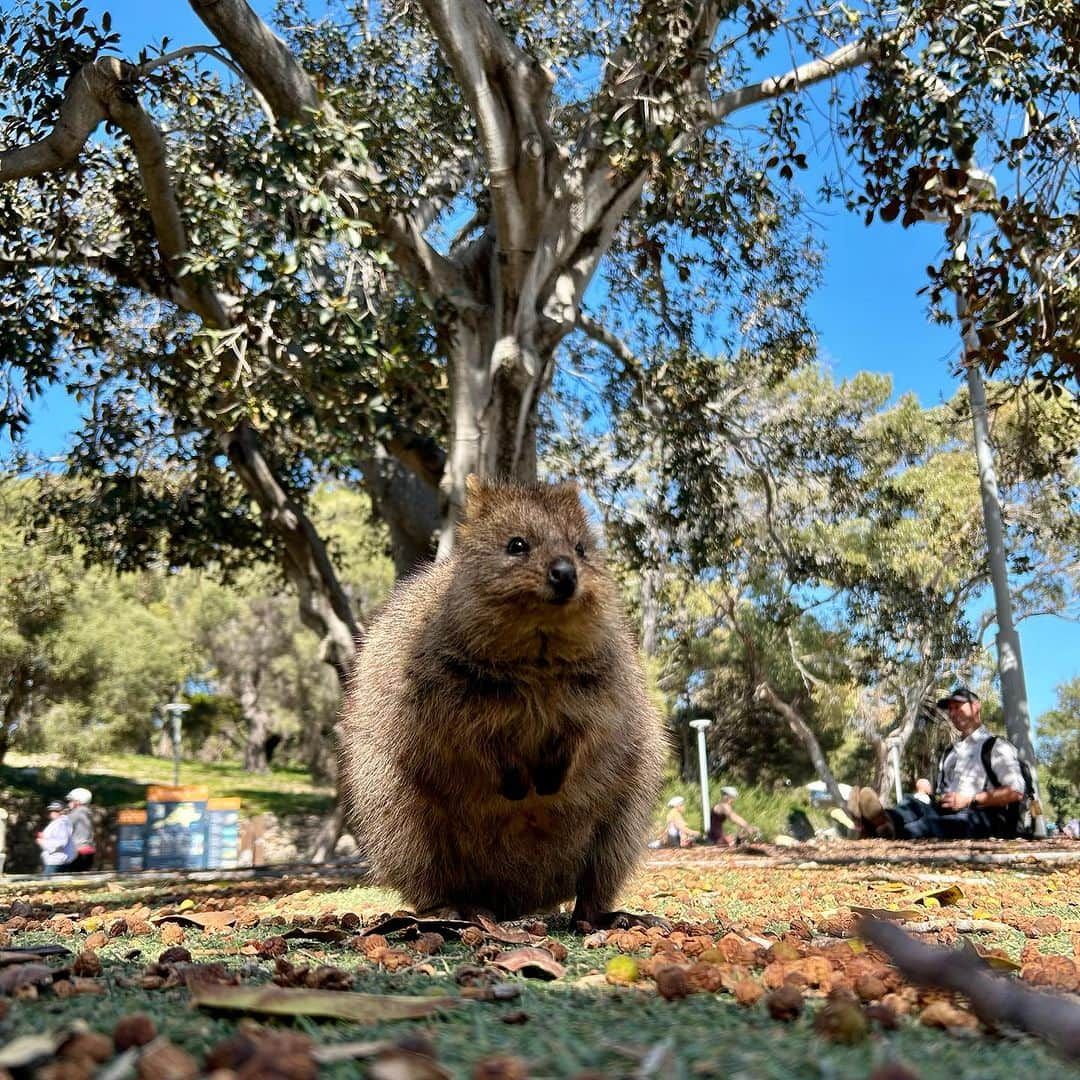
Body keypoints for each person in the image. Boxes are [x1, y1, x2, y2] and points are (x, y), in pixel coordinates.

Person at [849, 686, 1027, 840]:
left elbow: (1016, 791)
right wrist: (927, 791)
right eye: (950, 709)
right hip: (945, 811)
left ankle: (877, 830)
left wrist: (969, 800)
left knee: (932, 825)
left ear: (976, 707)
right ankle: (882, 819)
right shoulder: (951, 752)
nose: (953, 713)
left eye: (958, 707)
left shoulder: (995, 746)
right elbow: (944, 793)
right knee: (912, 803)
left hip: (982, 816)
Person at [37, 801, 75, 875]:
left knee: (47, 884)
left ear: (62, 811)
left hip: (56, 859)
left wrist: (42, 842)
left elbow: (61, 842)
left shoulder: (62, 823)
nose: (53, 813)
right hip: (54, 859)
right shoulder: (58, 822)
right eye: (51, 811)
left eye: (56, 811)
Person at [65, 787, 96, 871]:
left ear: (78, 801)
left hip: (77, 851)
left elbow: (63, 827)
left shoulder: (76, 813)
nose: (68, 804)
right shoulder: (88, 813)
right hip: (89, 850)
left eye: (71, 801)